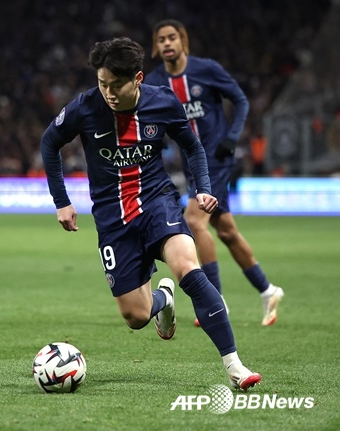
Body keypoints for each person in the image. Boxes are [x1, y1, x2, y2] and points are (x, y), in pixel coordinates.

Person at [40, 36, 261, 390]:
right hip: (113, 217)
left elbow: (192, 147)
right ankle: (163, 299)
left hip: (157, 201)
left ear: (138, 78)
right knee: (137, 316)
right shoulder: (85, 107)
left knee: (188, 267)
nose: (108, 93)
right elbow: (49, 142)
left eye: (116, 84)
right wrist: (61, 201)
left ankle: (235, 366)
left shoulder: (163, 102)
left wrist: (203, 188)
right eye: (102, 83)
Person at [145, 19, 284, 327]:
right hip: (191, 164)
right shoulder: (154, 81)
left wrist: (233, 137)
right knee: (226, 231)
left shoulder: (206, 69)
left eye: (172, 37)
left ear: (182, 40)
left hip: (216, 159)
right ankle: (268, 290)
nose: (167, 43)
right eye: (161, 39)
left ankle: (215, 300)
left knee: (195, 221)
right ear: (156, 46)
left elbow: (240, 99)